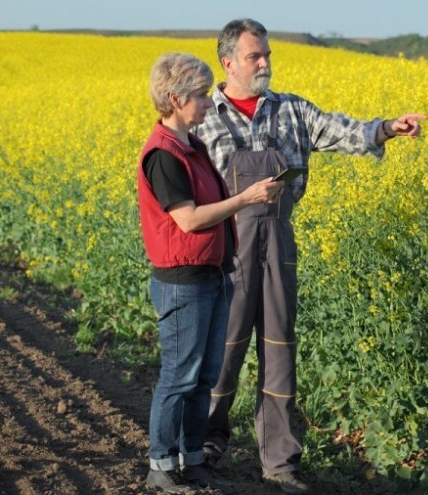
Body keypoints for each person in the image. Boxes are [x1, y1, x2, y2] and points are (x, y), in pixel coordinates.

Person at [193, 18, 426, 494]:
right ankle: (206, 444)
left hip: (278, 243)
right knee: (224, 350)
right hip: (228, 247)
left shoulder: (291, 110)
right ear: (228, 63)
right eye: (255, 56)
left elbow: (343, 131)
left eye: (268, 55)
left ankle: (280, 460)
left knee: (279, 350)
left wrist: (387, 129)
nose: (265, 63)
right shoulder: (204, 117)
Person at [138, 52, 284, 494]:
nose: (208, 102)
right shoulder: (163, 155)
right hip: (183, 283)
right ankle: (161, 466)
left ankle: (193, 459)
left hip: (212, 276)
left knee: (204, 378)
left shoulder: (193, 146)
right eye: (201, 95)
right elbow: (188, 220)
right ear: (174, 98)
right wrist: (246, 198)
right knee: (179, 377)